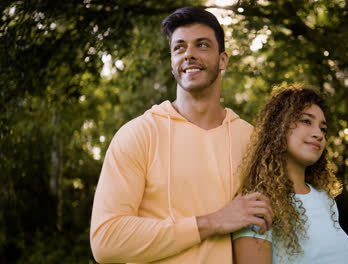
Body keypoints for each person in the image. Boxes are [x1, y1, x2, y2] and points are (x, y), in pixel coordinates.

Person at [90, 6, 272, 264]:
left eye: (202, 45)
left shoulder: (250, 139)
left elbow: (267, 230)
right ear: (172, 61)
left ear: (223, 60)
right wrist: (211, 222)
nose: (189, 54)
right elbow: (105, 241)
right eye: (179, 47)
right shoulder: (139, 134)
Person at [232, 84, 348, 264]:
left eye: (323, 129)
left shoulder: (325, 199)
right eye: (306, 121)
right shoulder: (257, 205)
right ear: (278, 127)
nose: (318, 134)